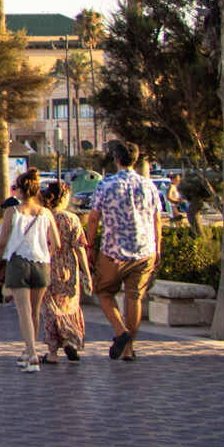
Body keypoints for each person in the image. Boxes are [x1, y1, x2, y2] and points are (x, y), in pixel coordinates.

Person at [87, 139, 163, 361]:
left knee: (103, 291)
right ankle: (129, 349)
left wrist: (90, 246)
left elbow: (93, 218)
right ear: (136, 160)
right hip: (144, 250)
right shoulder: (150, 186)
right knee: (134, 298)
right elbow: (157, 219)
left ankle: (120, 331)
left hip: (113, 252)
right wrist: (157, 248)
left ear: (116, 159)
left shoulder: (106, 185)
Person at [0, 168, 53, 372]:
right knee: (35, 312)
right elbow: (56, 242)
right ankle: (29, 351)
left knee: (24, 312)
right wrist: (46, 253)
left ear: (19, 191)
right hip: (42, 263)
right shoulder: (46, 213)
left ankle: (33, 354)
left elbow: (2, 242)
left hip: (18, 263)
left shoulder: (13, 211)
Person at [35, 180, 90, 364]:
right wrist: (87, 274)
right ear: (64, 197)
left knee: (50, 310)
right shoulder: (71, 219)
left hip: (47, 267)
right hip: (68, 270)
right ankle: (68, 339)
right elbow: (80, 248)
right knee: (68, 307)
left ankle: (52, 353)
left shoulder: (43, 217)